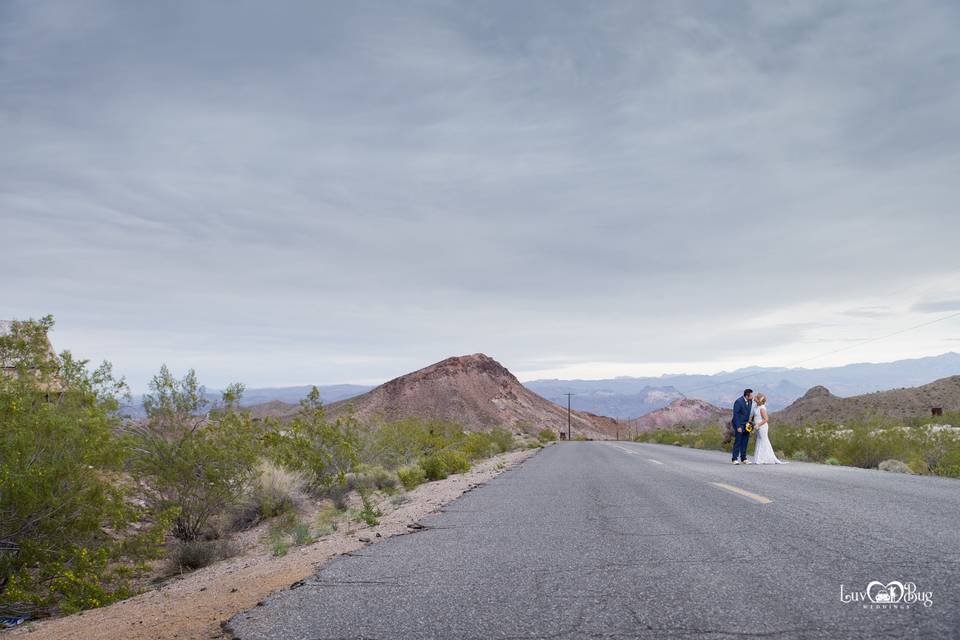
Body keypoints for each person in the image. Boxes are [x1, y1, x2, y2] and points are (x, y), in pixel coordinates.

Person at [751, 393, 786, 464]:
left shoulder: (762, 408)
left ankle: (762, 459)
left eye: (756, 397)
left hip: (762, 427)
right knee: (760, 440)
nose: (754, 397)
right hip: (757, 426)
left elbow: (766, 419)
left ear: (758, 400)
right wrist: (751, 422)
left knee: (763, 441)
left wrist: (758, 425)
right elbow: (754, 416)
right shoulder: (756, 406)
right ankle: (760, 458)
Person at [731, 389, 753, 465]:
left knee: (745, 441)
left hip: (746, 425)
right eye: (751, 395)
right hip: (739, 424)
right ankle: (734, 458)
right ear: (747, 395)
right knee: (738, 441)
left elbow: (748, 414)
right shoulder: (738, 402)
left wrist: (749, 423)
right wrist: (738, 426)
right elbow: (735, 415)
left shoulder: (750, 401)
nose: (752, 396)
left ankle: (743, 458)